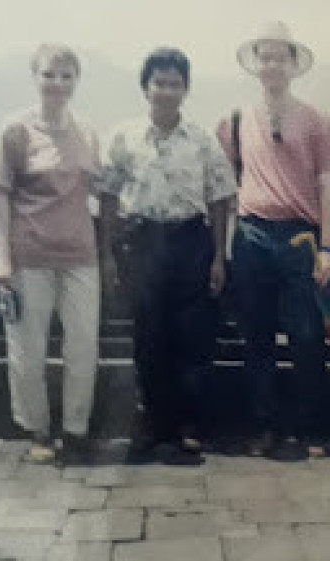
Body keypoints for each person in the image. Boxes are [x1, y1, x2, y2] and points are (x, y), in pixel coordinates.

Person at [100, 47, 236, 465]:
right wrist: (106, 252)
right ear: (146, 87)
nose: (166, 91)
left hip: (190, 240)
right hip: (142, 242)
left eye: (175, 83)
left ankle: (189, 424)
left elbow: (219, 200)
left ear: (186, 89)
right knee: (148, 336)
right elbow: (106, 196)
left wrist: (218, 257)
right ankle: (151, 422)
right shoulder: (124, 136)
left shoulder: (201, 140)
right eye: (159, 82)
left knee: (192, 336)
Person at [217, 21, 330, 458]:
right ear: (256, 64)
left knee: (307, 335)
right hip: (252, 232)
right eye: (265, 56)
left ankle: (309, 426)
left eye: (280, 57)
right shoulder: (234, 121)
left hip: (299, 238)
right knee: (255, 334)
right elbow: (222, 182)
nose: (272, 65)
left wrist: (328, 248)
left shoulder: (317, 121)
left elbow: (329, 184)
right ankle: (265, 425)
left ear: (293, 64)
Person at [0, 44, 101, 465]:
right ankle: (38, 428)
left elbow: (93, 194)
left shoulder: (86, 132)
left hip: (81, 255)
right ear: (35, 77)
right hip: (29, 254)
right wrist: (0, 256)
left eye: (66, 75)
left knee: (84, 346)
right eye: (49, 74)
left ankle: (76, 428)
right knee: (28, 348)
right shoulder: (14, 130)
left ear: (76, 81)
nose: (57, 83)